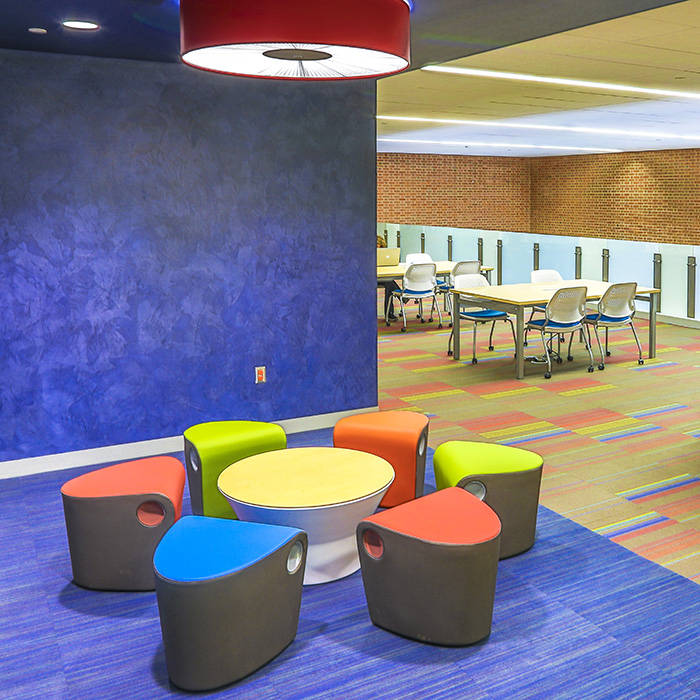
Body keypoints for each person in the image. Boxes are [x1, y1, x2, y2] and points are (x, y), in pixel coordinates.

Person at [377, 236, 400, 322]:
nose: (376, 246)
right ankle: (401, 295)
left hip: (382, 276)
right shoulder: (368, 252)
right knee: (390, 282)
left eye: (378, 244)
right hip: (371, 278)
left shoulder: (385, 254)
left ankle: (389, 313)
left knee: (389, 283)